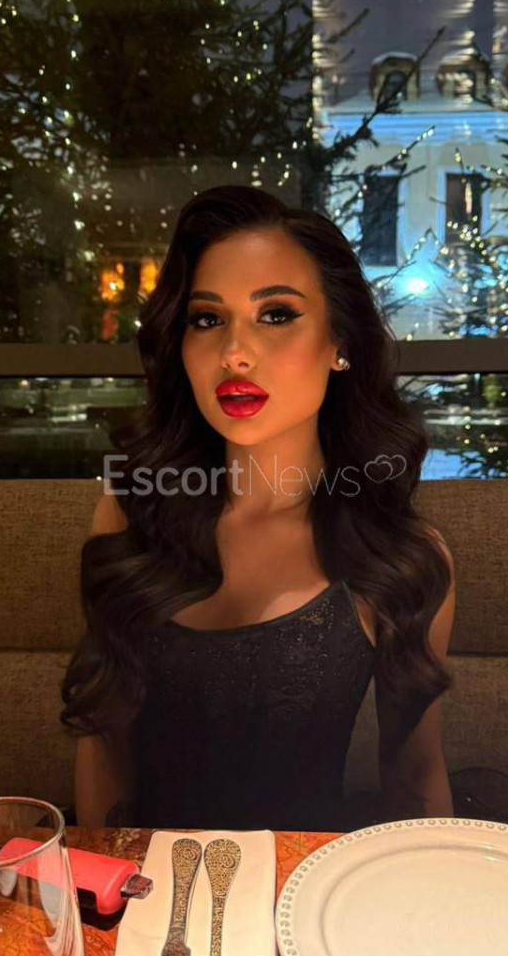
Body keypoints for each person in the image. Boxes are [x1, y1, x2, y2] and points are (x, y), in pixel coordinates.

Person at [61, 184, 456, 831]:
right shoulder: (133, 513)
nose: (234, 353)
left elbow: (416, 776)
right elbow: (103, 743)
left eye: (276, 314)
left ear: (340, 342)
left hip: (309, 881)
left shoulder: (401, 556)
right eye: (206, 319)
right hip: (145, 881)